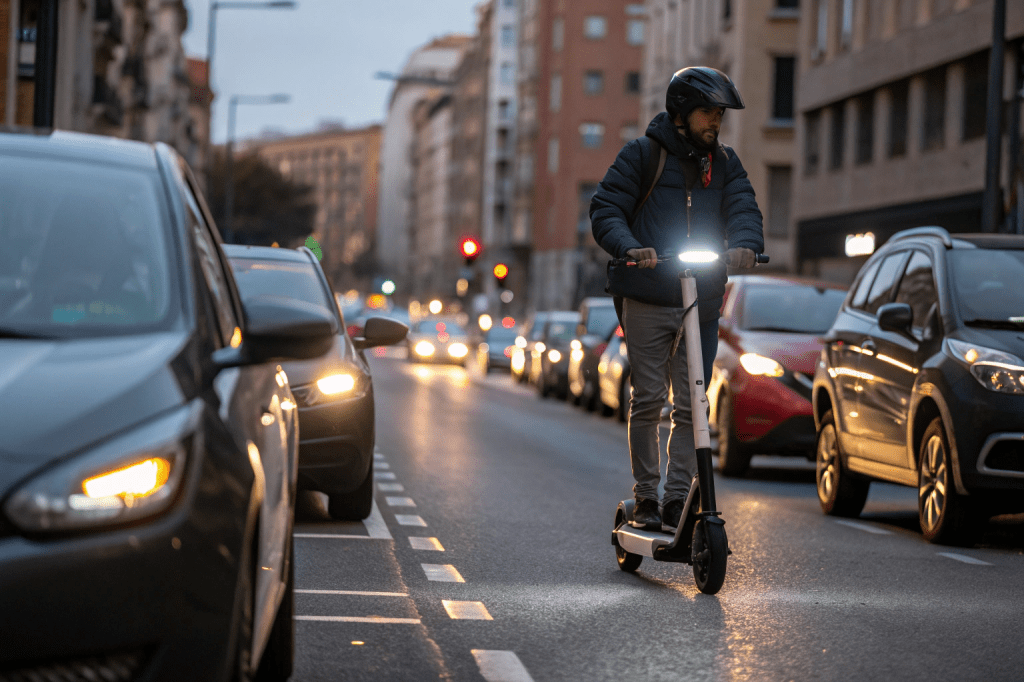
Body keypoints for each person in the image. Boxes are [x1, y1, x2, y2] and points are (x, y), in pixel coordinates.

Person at [589, 66, 765, 531]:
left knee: (693, 403)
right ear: (682, 113)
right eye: (708, 112)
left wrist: (746, 242)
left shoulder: (725, 164)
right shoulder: (642, 155)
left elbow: (744, 206)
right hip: (647, 295)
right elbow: (607, 208)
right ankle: (646, 496)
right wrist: (629, 247)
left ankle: (675, 499)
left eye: (720, 115)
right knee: (647, 399)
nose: (716, 122)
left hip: (702, 300)